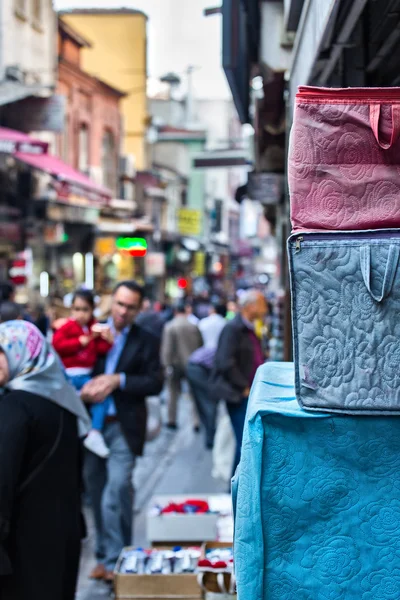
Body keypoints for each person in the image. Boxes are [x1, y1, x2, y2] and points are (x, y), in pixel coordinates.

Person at [0, 320, 91, 600]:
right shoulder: (64, 403)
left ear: (19, 353)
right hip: (62, 538)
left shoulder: (15, 407)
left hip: (24, 546)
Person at [80, 281, 163, 582]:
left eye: (130, 307)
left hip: (124, 428)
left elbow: (155, 382)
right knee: (97, 491)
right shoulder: (91, 333)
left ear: (139, 309)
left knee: (115, 490)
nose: (122, 312)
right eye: (119, 304)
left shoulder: (147, 339)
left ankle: (118, 560)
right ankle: (106, 555)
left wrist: (120, 380)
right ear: (111, 302)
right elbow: (74, 367)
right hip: (91, 427)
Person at [212, 290, 267, 476]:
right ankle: (237, 489)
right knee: (245, 443)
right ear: (250, 306)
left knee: (245, 442)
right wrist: (243, 386)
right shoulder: (233, 328)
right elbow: (224, 362)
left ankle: (238, 489)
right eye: (261, 303)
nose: (265, 308)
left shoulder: (251, 327)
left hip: (248, 393)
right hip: (239, 395)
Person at [53, 289, 113, 458]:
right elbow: (57, 345)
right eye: (77, 309)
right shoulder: (68, 327)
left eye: (85, 309)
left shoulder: (94, 328)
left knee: (102, 396)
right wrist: (80, 341)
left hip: (86, 376)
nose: (80, 314)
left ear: (92, 310)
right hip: (71, 375)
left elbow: (100, 349)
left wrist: (108, 340)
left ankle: (95, 432)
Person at [187, 302, 227, 448]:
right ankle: (210, 435)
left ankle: (209, 434)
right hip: (208, 365)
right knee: (209, 402)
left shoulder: (203, 323)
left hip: (202, 362)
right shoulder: (225, 324)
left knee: (204, 402)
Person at [161, 302, 203, 430]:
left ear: (175, 311)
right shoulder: (193, 326)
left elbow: (166, 349)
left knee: (173, 393)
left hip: (175, 365)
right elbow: (200, 345)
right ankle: (196, 421)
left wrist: (166, 365)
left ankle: (172, 419)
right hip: (192, 364)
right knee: (194, 394)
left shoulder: (170, 326)